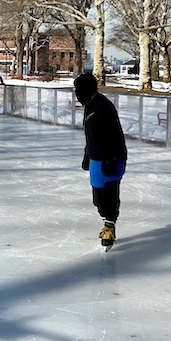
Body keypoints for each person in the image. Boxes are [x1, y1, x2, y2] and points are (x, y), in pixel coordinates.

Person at [74, 73, 127, 248]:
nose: (77, 94)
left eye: (79, 90)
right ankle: (106, 221)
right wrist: (87, 156)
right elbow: (91, 137)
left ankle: (109, 227)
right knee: (98, 197)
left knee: (109, 194)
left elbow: (114, 135)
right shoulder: (91, 105)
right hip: (96, 159)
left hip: (111, 158)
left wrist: (111, 159)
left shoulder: (103, 106)